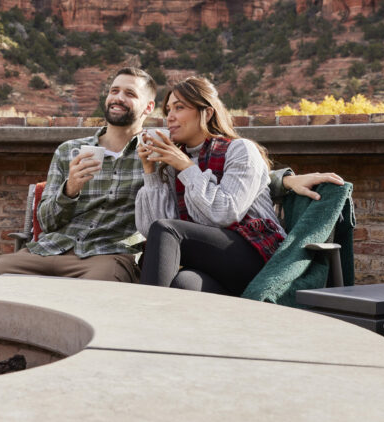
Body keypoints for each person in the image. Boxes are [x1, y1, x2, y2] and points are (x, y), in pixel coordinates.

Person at [136, 76, 344, 295]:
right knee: (184, 284)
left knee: (167, 230)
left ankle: (146, 320)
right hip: (212, 265)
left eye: (179, 107)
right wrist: (151, 173)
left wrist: (188, 168)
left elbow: (225, 212)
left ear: (207, 113)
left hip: (257, 254)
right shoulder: (173, 164)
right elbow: (152, 229)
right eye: (167, 110)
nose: (170, 117)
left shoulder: (240, 151)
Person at [0, 67, 158, 282]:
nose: (118, 98)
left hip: (108, 255)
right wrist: (70, 189)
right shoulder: (69, 151)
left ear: (149, 107)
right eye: (114, 91)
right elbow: (45, 222)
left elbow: (159, 217)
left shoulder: (153, 154)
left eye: (129, 94)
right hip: (49, 250)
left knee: (95, 294)